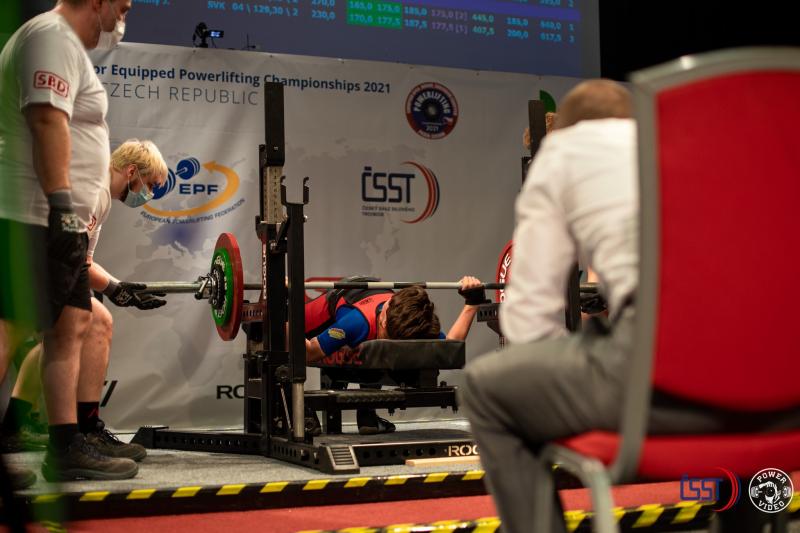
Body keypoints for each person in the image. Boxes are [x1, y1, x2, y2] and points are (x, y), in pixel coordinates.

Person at [461, 79, 639, 533]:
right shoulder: (690, 149)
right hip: (763, 385)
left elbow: (529, 324)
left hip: (643, 383)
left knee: (486, 388)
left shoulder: (560, 159)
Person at [0, 0, 135, 484]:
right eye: (122, 8)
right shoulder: (50, 37)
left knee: (72, 324)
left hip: (60, 220)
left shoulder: (67, 48)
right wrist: (59, 203)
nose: (122, 20)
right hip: (32, 212)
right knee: (9, 326)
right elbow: (46, 121)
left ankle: (64, 448)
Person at [2, 139, 168, 461]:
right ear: (131, 171)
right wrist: (114, 290)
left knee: (73, 329)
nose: (148, 194)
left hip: (41, 252)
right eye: (148, 185)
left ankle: (16, 426)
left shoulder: (101, 200)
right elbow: (73, 255)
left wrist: (118, 288)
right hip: (29, 250)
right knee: (24, 329)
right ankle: (82, 432)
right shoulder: (94, 190)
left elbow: (84, 259)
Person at [304, 276, 487, 434]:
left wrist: (472, 303)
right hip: (343, 296)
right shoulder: (357, 322)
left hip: (378, 297)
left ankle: (367, 414)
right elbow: (310, 352)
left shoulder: (418, 326)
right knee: (293, 336)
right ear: (384, 319)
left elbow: (449, 347)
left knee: (376, 352)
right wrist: (287, 314)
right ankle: (300, 409)